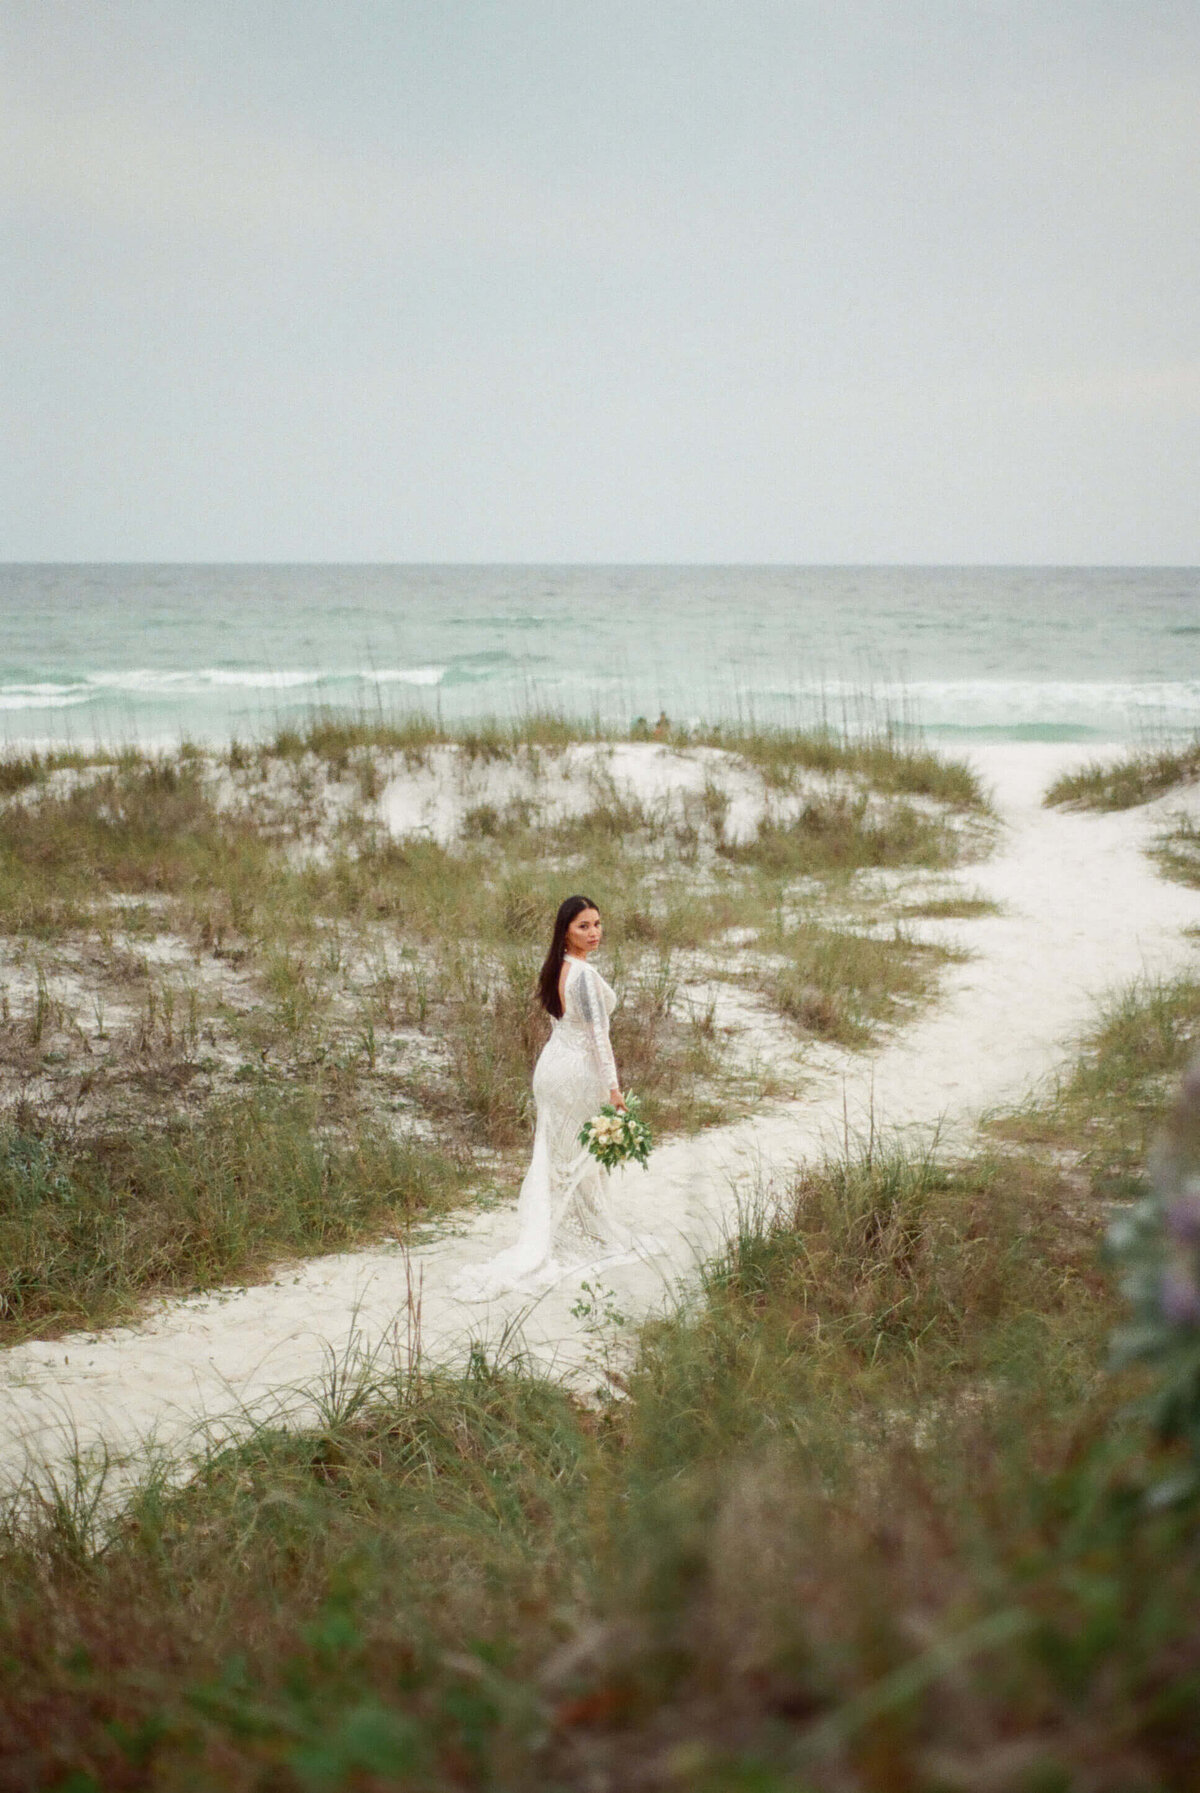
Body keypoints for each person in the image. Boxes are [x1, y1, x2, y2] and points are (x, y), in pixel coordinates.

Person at [450, 895, 642, 1301]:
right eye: (583, 927)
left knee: (558, 1155)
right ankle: (568, 1235)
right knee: (578, 1156)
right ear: (565, 932)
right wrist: (614, 1088)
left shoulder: (560, 967)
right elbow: (598, 1039)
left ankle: (567, 1228)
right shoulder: (584, 977)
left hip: (551, 1067)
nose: (594, 933)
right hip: (574, 1074)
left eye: (597, 924)